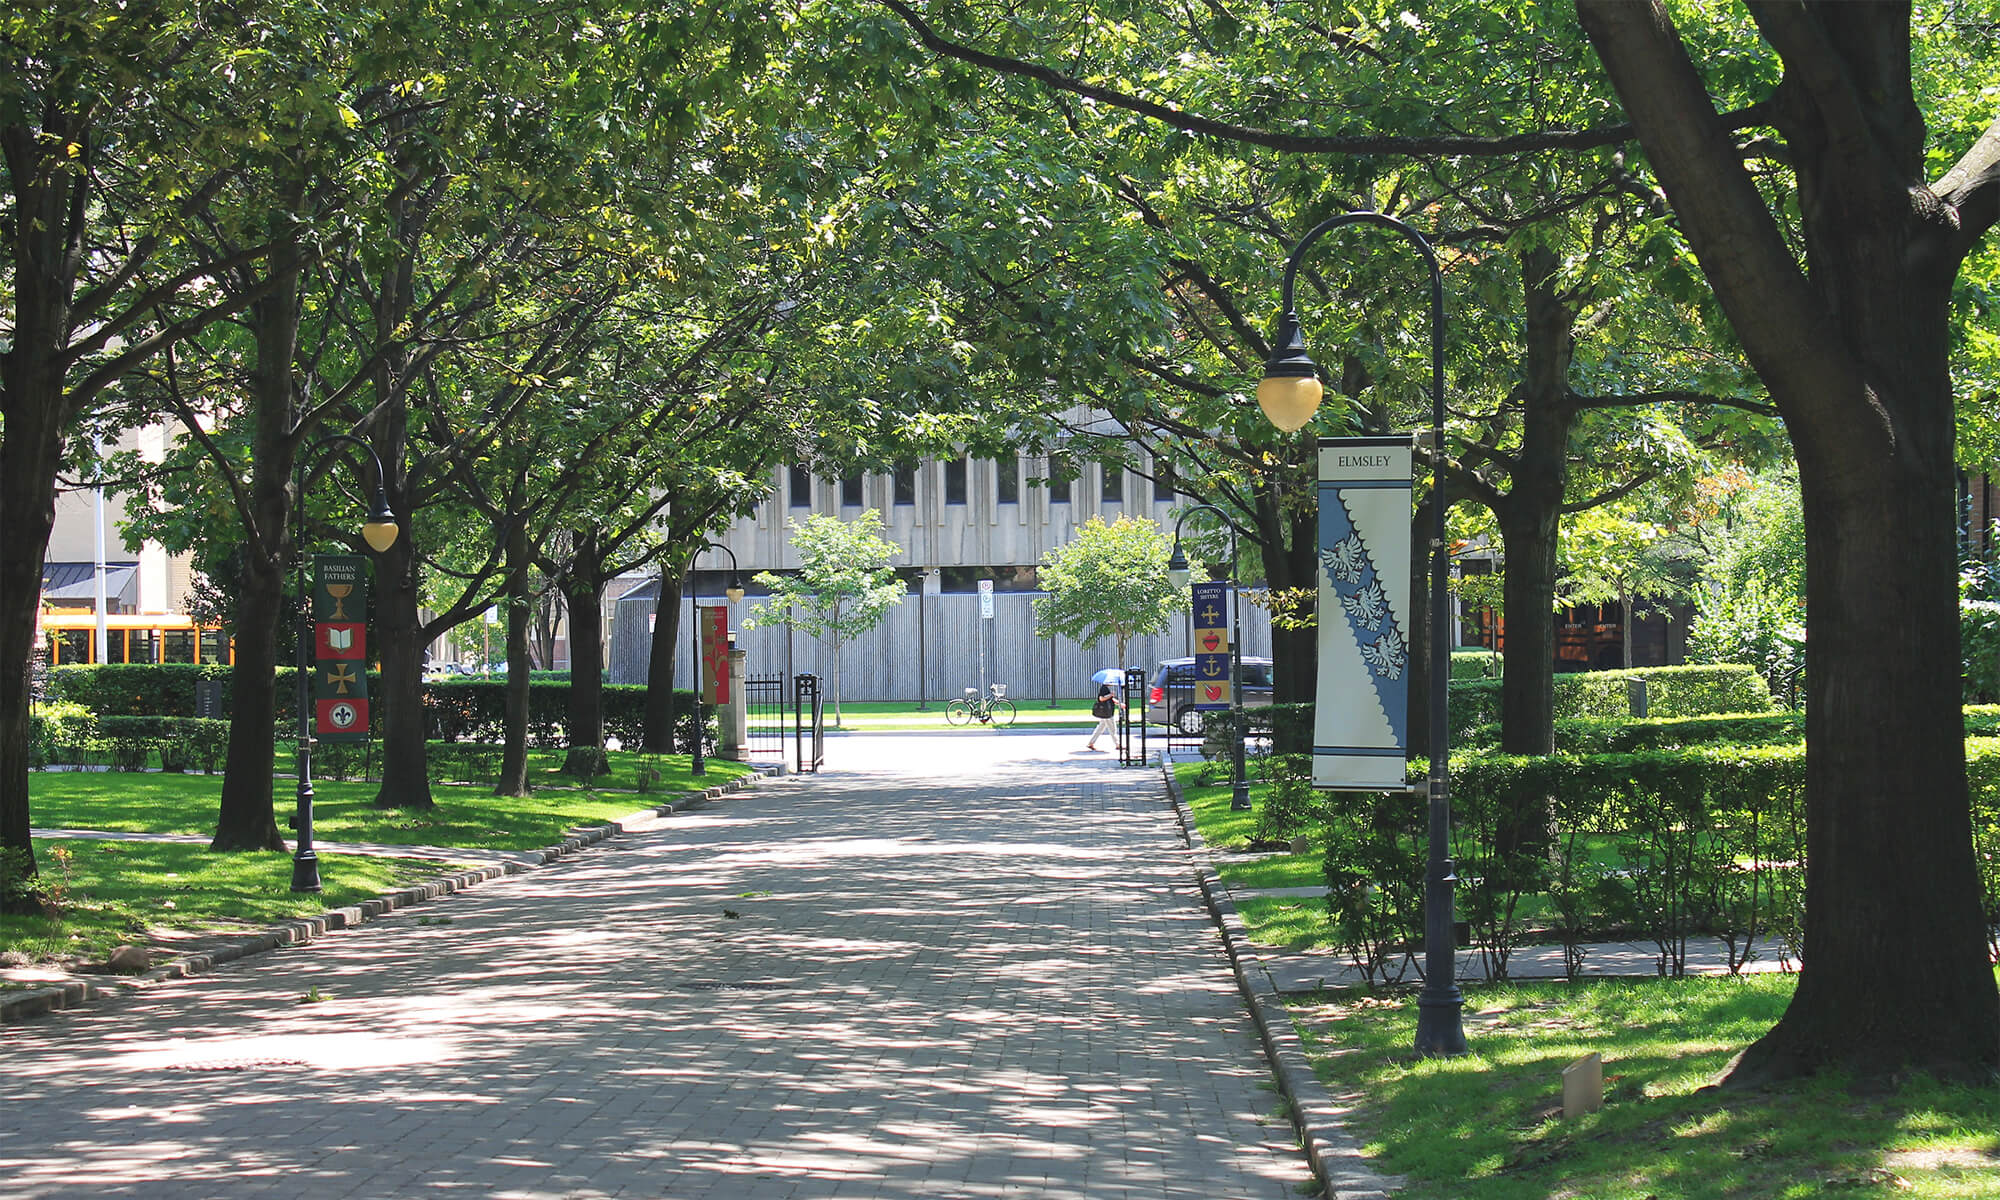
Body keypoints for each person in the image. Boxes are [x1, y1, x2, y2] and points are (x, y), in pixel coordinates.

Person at [1086, 682, 1117, 751]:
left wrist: (1118, 703)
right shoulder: (1104, 689)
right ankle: (1118, 744)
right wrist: (1110, 695)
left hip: (1107, 712)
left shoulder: (1106, 689)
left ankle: (1091, 743)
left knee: (1100, 729)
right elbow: (1101, 698)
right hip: (1107, 712)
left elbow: (1110, 699)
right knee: (1112, 729)